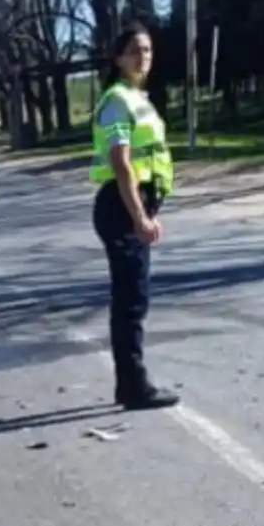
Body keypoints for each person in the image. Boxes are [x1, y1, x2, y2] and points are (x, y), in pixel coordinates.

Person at [90, 21, 180, 411]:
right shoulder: (117, 101)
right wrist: (140, 216)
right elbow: (122, 164)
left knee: (134, 296)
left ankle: (131, 381)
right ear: (118, 57)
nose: (143, 56)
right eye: (134, 50)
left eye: (147, 50)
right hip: (121, 205)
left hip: (135, 203)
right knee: (130, 299)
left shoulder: (138, 98)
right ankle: (132, 385)